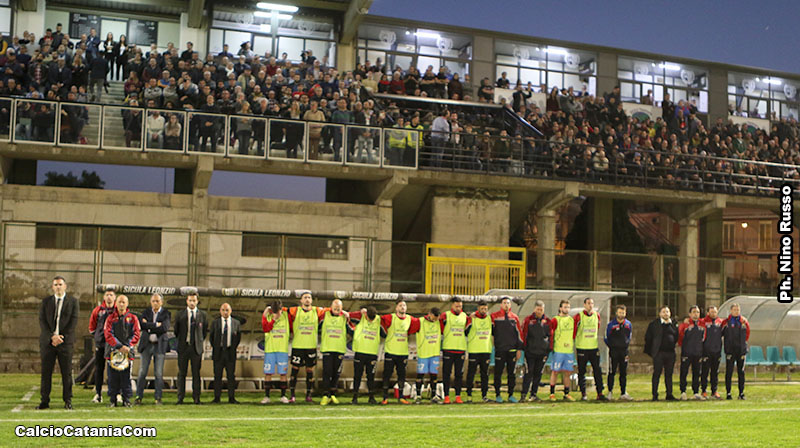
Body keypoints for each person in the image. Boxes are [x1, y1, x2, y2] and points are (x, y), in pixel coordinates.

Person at [37, 276, 79, 410]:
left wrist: (61, 337)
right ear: (52, 287)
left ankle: (67, 400)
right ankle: (44, 401)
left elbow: (73, 322)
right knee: (46, 373)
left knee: (66, 373)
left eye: (60, 284)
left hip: (65, 343)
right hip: (48, 343)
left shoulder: (73, 302)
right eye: (55, 285)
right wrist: (52, 337)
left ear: (65, 286)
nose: (58, 287)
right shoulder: (46, 302)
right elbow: (42, 321)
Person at [380, 299, 421, 405]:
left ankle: (401, 396)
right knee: (387, 375)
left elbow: (420, 323)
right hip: (390, 352)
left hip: (403, 353)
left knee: (402, 375)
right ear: (396, 308)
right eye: (400, 305)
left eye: (404, 305)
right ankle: (385, 397)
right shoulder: (390, 317)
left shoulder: (410, 319)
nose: (403, 307)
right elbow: (378, 319)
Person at [103, 294, 140, 407]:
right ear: (116, 303)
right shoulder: (110, 318)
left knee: (126, 377)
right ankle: (113, 399)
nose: (121, 304)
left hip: (127, 352)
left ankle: (126, 399)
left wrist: (127, 346)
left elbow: (136, 334)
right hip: (112, 352)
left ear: (127, 304)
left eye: (123, 302)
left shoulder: (133, 318)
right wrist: (119, 346)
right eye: (119, 302)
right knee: (112, 377)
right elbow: (108, 334)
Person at [288, 291, 325, 403]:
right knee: (294, 370)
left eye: (309, 297)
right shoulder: (295, 310)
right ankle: (292, 395)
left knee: (310, 371)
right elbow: (283, 310)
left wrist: (344, 312)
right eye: (305, 297)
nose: (307, 299)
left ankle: (308, 395)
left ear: (312, 300)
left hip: (311, 346)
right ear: (301, 300)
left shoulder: (316, 310)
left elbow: (331, 310)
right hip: (298, 346)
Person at [135, 293, 170, 405]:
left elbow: (165, 328)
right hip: (146, 345)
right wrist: (156, 325)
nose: (155, 303)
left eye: (157, 301)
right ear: (150, 302)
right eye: (153, 301)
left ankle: (158, 398)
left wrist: (149, 326)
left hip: (159, 346)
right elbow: (142, 326)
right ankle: (138, 397)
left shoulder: (166, 313)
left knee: (158, 373)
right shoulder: (145, 312)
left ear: (161, 302)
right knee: (142, 372)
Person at [174, 293, 208, 405]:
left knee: (196, 373)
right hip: (183, 347)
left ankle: (196, 398)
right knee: (181, 373)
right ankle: (180, 398)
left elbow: (204, 332)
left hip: (196, 348)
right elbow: (176, 331)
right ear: (187, 301)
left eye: (194, 300)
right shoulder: (180, 314)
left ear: (197, 301)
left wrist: (197, 341)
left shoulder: (203, 315)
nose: (192, 303)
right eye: (190, 300)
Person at [348, 306, 385, 405]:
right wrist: (359, 312)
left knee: (371, 376)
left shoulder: (379, 320)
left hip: (372, 353)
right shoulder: (360, 317)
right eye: (369, 318)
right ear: (366, 315)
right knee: (357, 376)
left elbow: (384, 334)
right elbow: (348, 316)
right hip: (360, 352)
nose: (371, 320)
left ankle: (371, 397)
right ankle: (354, 398)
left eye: (373, 318)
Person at [574, 297, 608, 401]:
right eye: (588, 303)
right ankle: (583, 394)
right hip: (582, 348)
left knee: (597, 370)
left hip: (593, 347)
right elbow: (574, 331)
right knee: (582, 371)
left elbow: (597, 327)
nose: (590, 305)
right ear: (584, 305)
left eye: (592, 303)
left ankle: (600, 393)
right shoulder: (579, 316)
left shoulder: (596, 315)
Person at [318, 299, 350, 405]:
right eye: (334, 307)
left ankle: (333, 394)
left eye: (339, 308)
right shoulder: (325, 315)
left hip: (339, 349)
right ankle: (325, 395)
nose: (336, 309)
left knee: (336, 373)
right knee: (327, 372)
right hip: (327, 348)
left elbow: (352, 328)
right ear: (331, 307)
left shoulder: (345, 318)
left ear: (342, 308)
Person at [491, 296, 523, 403]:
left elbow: (519, 334)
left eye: (508, 303)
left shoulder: (514, 317)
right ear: (501, 305)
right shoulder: (494, 317)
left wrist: (519, 349)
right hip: (500, 349)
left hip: (512, 350)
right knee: (498, 373)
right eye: (504, 303)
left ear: (510, 305)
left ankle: (511, 395)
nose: (506, 305)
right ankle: (498, 395)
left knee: (511, 374)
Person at [439, 297, 470, 404]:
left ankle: (458, 396)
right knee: (446, 374)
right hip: (448, 348)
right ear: (452, 305)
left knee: (459, 374)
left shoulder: (465, 316)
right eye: (456, 306)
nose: (458, 308)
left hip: (460, 349)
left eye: (460, 306)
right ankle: (446, 396)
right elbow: (440, 329)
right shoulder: (445, 315)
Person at [88, 288, 116, 404]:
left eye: (111, 295)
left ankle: (116, 393)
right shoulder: (98, 310)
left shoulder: (118, 310)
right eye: (107, 295)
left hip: (114, 344)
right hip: (101, 344)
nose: (109, 297)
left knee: (115, 369)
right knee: (99, 368)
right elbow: (92, 327)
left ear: (114, 297)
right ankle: (98, 394)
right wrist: (98, 337)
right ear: (104, 297)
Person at [644, 305, 678, 401]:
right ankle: (655, 395)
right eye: (663, 312)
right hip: (658, 353)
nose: (665, 314)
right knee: (657, 374)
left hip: (670, 353)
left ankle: (669, 394)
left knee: (669, 375)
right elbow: (648, 338)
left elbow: (676, 337)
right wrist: (653, 352)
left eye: (667, 312)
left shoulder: (674, 324)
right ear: (659, 314)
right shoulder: (654, 324)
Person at [210, 303, 241, 404]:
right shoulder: (215, 323)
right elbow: (211, 338)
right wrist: (217, 347)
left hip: (230, 353)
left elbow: (238, 338)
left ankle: (231, 398)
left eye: (227, 310)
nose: (225, 312)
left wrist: (232, 348)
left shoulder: (236, 323)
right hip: (218, 353)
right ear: (220, 311)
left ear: (231, 311)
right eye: (223, 310)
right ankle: (217, 398)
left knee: (231, 376)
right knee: (217, 376)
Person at [261, 300, 291, 404]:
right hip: (270, 350)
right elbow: (266, 329)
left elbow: (294, 311)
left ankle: (283, 396)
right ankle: (267, 396)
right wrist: (272, 318)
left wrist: (282, 311)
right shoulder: (267, 317)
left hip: (282, 350)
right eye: (274, 311)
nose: (276, 313)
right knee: (268, 373)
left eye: (277, 311)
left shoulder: (286, 316)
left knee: (283, 373)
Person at [520, 301, 550, 402]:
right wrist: (524, 348)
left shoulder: (547, 321)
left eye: (541, 309)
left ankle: (533, 394)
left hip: (542, 353)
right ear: (534, 309)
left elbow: (550, 336)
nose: (539, 311)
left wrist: (548, 350)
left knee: (538, 374)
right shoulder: (528, 320)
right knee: (529, 373)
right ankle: (523, 394)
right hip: (530, 352)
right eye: (538, 309)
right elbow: (523, 334)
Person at [548, 300, 575, 401]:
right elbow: (551, 334)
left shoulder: (571, 320)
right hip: (558, 350)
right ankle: (552, 393)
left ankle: (566, 393)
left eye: (568, 307)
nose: (566, 309)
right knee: (555, 371)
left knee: (567, 372)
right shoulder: (555, 320)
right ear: (560, 308)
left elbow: (574, 334)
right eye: (565, 307)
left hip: (569, 351)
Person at [678, 305, 706, 401]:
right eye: (694, 312)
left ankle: (696, 392)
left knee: (697, 373)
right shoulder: (685, 325)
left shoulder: (702, 324)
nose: (696, 314)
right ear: (690, 314)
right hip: (686, 353)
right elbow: (680, 338)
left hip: (698, 353)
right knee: (684, 372)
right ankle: (683, 392)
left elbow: (704, 338)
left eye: (697, 312)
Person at [604, 304, 632, 401]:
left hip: (624, 352)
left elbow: (629, 336)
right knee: (612, 372)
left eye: (623, 312)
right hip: (614, 352)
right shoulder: (611, 325)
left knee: (623, 372)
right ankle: (610, 392)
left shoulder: (628, 324)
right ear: (616, 313)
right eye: (620, 312)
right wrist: (612, 346)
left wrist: (625, 345)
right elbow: (606, 338)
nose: (621, 314)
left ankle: (623, 392)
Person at [465, 301, 492, 403]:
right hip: (474, 350)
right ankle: (469, 395)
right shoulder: (472, 318)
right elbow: (465, 331)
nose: (484, 310)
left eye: (485, 309)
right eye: (482, 309)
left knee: (485, 374)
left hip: (486, 350)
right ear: (478, 308)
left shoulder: (489, 318)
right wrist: (469, 318)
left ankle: (484, 395)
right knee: (471, 374)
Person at [723, 303, 750, 400]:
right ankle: (728, 393)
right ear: (731, 311)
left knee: (741, 372)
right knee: (729, 372)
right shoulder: (726, 322)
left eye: (738, 310)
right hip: (730, 351)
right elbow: (721, 334)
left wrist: (743, 346)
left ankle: (741, 393)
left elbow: (747, 334)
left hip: (741, 351)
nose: (736, 311)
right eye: (734, 310)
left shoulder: (743, 322)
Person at [700, 306, 724, 399]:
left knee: (715, 372)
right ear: (708, 313)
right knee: (704, 372)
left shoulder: (720, 322)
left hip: (717, 351)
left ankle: (714, 391)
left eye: (715, 312)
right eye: (711, 312)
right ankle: (704, 391)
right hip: (706, 351)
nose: (713, 314)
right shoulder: (703, 322)